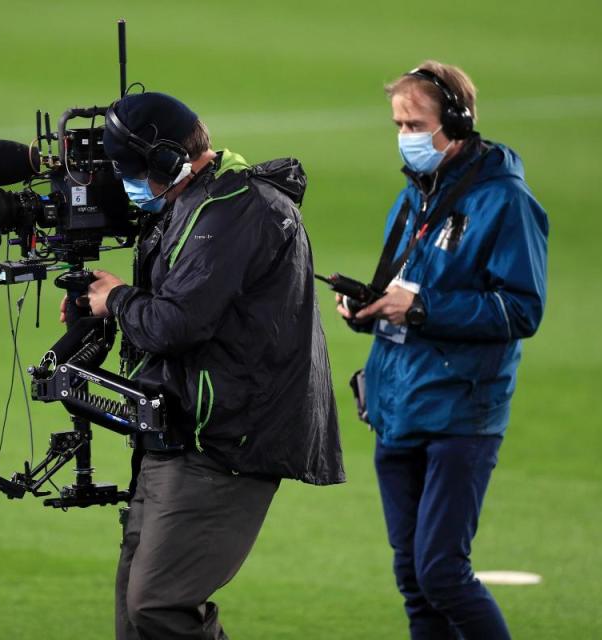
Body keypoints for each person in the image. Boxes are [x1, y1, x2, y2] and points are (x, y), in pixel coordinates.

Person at [82, 91, 344, 640]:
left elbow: (176, 324)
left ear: (164, 161)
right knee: (136, 618)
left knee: (159, 605)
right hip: (180, 432)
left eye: (130, 172)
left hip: (225, 442)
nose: (127, 186)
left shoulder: (238, 211)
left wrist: (121, 301)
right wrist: (108, 311)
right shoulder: (195, 204)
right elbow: (180, 309)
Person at [338, 62, 548, 639]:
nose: (405, 136)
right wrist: (369, 310)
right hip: (399, 406)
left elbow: (522, 310)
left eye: (415, 123)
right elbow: (403, 290)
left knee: (442, 574)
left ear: (457, 121)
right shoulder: (413, 197)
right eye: (398, 123)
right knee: (414, 579)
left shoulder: (505, 202)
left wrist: (423, 308)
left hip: (459, 412)